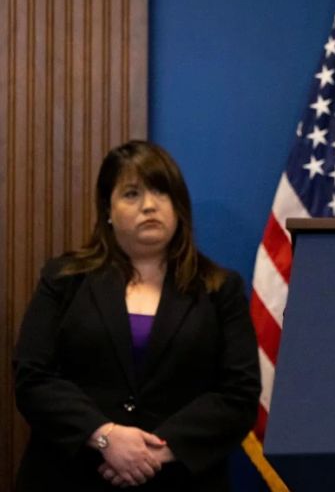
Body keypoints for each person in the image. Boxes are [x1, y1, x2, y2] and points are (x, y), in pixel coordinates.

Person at [14, 141, 260, 491]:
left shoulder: (221, 290)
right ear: (108, 210)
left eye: (161, 192)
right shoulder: (64, 279)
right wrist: (104, 437)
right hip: (71, 475)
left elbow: (239, 395)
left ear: (178, 206)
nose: (149, 205)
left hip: (180, 478)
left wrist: (155, 454)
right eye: (131, 194)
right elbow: (33, 378)